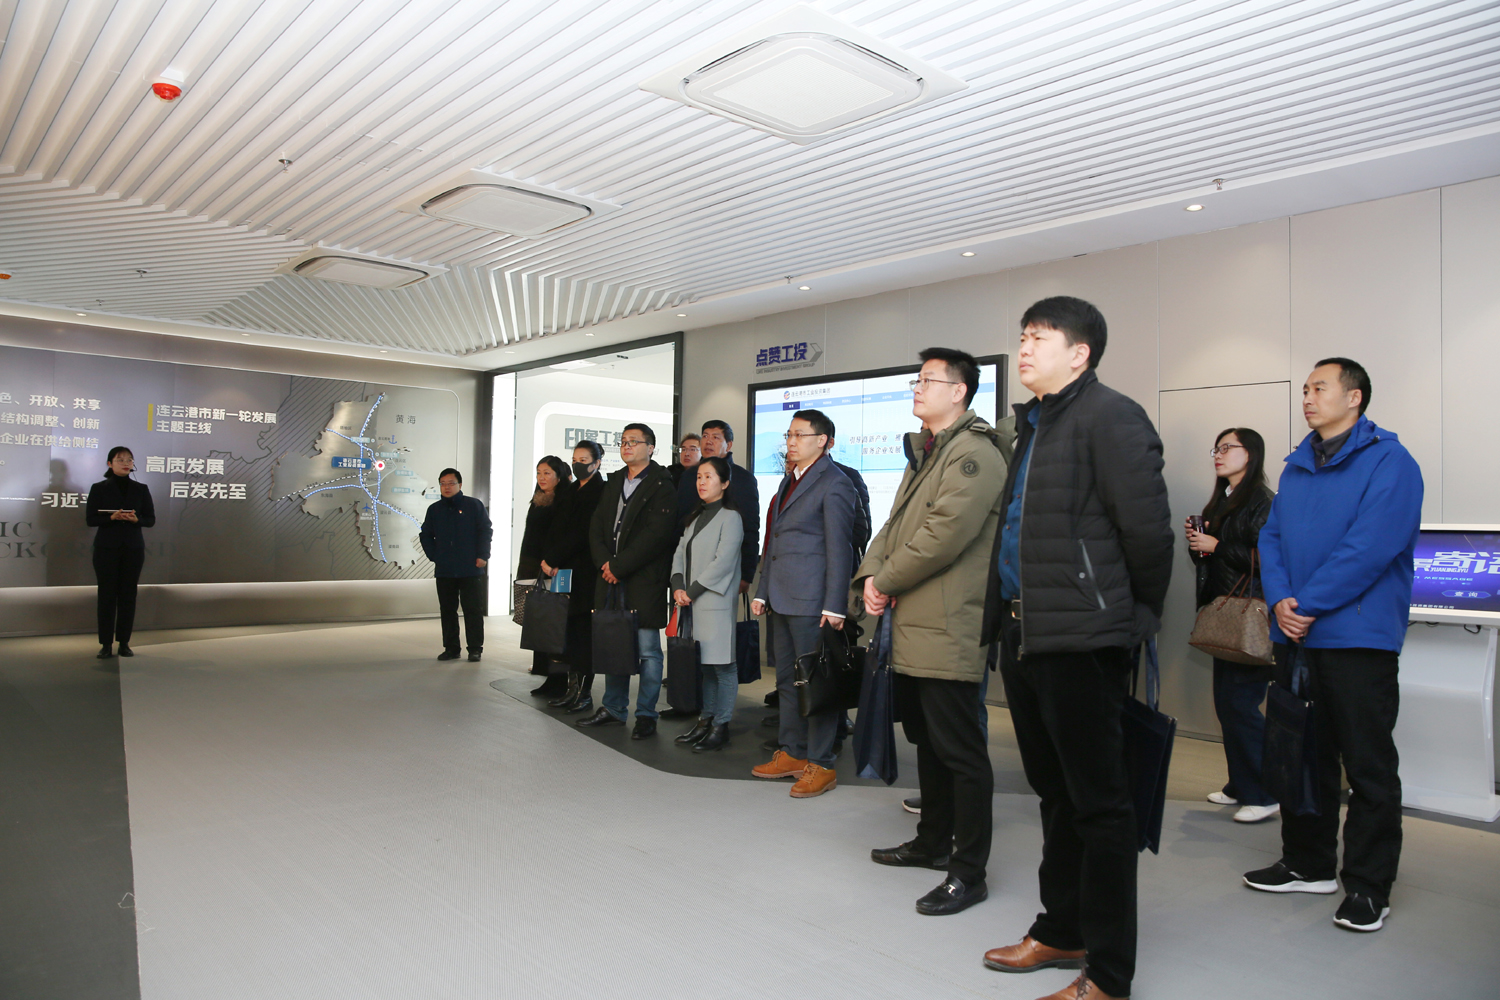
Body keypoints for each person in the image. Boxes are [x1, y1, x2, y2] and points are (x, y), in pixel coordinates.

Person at [979, 296, 1173, 1000]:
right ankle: (1062, 929)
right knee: (1055, 794)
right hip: (1028, 634)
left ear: (1080, 353)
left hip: (1083, 638)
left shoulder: (1111, 416)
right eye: (1022, 335)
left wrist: (1134, 616)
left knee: (1101, 805)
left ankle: (1110, 975)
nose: (1025, 347)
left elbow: (1148, 533)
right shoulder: (1035, 423)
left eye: (1040, 336)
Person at [1243, 358, 1423, 935]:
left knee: (1367, 765)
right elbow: (1271, 538)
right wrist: (1280, 601)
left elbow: (1370, 547)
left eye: (1319, 388)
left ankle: (1368, 886)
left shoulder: (1391, 462)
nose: (1307, 397)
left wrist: (1308, 603)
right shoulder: (1298, 464)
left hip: (1356, 637)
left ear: (1355, 397)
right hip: (1296, 633)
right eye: (1304, 389)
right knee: (1300, 754)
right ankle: (1307, 863)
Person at [858, 348, 1007, 916]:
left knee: (961, 751)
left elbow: (945, 534)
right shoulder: (928, 450)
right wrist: (871, 576)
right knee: (928, 742)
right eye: (916, 380)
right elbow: (894, 526)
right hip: (913, 620)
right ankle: (931, 842)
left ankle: (968, 871)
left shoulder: (974, 453)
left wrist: (886, 579)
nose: (917, 388)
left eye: (927, 380)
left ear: (959, 391)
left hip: (947, 622)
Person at [749, 409, 856, 798]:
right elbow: (775, 541)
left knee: (817, 684)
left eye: (799, 435)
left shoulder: (836, 483)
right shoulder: (789, 480)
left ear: (822, 441)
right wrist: (762, 590)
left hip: (814, 603)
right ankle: (793, 752)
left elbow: (840, 549)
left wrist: (835, 605)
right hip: (781, 598)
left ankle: (821, 762)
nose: (791, 442)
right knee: (786, 681)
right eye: (789, 435)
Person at [1186, 427, 1278, 823]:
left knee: (1241, 705)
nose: (1219, 455)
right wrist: (1200, 546)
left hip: (1250, 617)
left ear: (1250, 454)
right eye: (1216, 449)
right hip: (1225, 615)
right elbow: (1212, 562)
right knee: (1228, 705)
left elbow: (1270, 558)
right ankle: (1240, 785)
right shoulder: (1223, 500)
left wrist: (1218, 546)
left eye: (1228, 447)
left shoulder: (1264, 502)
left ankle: (1265, 794)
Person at [579, 423, 678, 738]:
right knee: (614, 645)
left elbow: (656, 536)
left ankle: (646, 714)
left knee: (648, 651)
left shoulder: (662, 484)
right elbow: (596, 526)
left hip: (643, 580)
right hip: (611, 578)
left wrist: (619, 566)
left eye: (634, 441)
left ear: (651, 448)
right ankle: (613, 708)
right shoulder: (614, 481)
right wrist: (604, 564)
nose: (627, 446)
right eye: (623, 441)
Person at [670, 456, 745, 752]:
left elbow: (723, 562)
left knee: (723, 666)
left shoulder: (731, 517)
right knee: (707, 667)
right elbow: (679, 553)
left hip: (714, 601)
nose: (701, 482)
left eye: (709, 477)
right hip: (692, 601)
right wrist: (678, 585)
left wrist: (691, 590)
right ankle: (706, 720)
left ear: (724, 483)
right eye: (699, 477)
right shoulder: (695, 516)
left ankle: (721, 725)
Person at [542, 441, 607, 713]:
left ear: (597, 463)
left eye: (584, 460)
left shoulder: (600, 491)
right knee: (567, 632)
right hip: (563, 570)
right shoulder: (569, 490)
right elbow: (557, 528)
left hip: (585, 572)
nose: (578, 464)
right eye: (575, 459)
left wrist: (554, 558)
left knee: (584, 634)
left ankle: (584, 693)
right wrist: (550, 559)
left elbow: (583, 533)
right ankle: (571, 689)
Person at [85, 446, 156, 658]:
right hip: (106, 548)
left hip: (133, 548)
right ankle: (105, 643)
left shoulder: (141, 489)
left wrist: (136, 519)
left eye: (129, 460)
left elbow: (150, 519)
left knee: (128, 595)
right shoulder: (99, 488)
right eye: (120, 459)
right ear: (110, 464)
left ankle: (124, 642)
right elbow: (90, 519)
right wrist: (111, 517)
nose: (126, 463)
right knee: (106, 596)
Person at [675, 420, 760, 594]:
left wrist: (746, 574)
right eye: (705, 436)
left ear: (728, 445)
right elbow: (679, 524)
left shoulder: (743, 479)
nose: (708, 441)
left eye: (715, 437)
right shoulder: (689, 476)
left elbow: (750, 528)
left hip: (724, 570)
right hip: (688, 565)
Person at [419, 468, 493, 663]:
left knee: (473, 610)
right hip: (445, 569)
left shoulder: (474, 505)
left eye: (451, 483)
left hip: (471, 567)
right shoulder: (434, 509)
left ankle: (475, 649)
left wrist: (483, 555)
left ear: (460, 485)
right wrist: (434, 556)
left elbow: (485, 531)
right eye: (443, 483)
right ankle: (451, 648)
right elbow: (425, 535)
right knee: (448, 610)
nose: (447, 487)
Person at [520, 456, 572, 697]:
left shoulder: (564, 500)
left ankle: (559, 679)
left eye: (547, 473)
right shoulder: (537, 500)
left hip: (555, 569)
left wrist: (552, 561)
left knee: (554, 625)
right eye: (539, 472)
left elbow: (562, 538)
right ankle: (545, 674)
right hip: (534, 568)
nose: (541, 477)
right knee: (539, 622)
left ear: (559, 476)